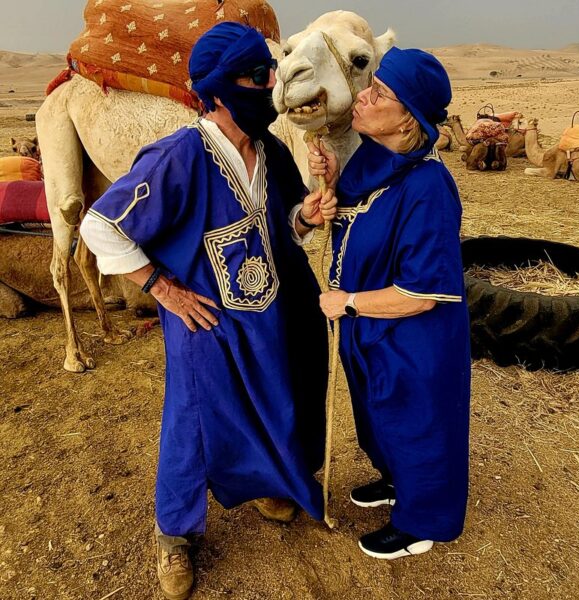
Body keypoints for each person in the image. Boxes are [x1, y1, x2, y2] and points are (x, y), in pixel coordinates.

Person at [80, 22, 337, 600]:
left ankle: (274, 484)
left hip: (268, 313)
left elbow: (281, 226)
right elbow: (101, 226)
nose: (270, 84)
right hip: (209, 324)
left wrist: (307, 216)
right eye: (257, 76)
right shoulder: (179, 156)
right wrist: (161, 288)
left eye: (269, 72)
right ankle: (173, 534)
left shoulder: (268, 148)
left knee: (279, 397)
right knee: (193, 425)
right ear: (221, 90)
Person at [308, 47, 470, 560]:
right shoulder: (379, 160)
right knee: (379, 416)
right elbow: (355, 214)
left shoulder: (429, 189)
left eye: (380, 93)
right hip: (371, 331)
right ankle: (398, 480)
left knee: (416, 421)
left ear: (408, 120)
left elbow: (422, 294)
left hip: (411, 340)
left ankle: (423, 521)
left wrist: (348, 301)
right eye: (369, 85)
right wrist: (331, 180)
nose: (364, 96)